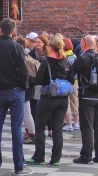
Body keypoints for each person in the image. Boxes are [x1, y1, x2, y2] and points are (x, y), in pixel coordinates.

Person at [0, 18, 32, 176]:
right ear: (13, 32)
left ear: (0, 30)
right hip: (15, 90)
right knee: (16, 129)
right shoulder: (17, 47)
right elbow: (24, 71)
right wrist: (23, 86)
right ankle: (19, 166)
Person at [28, 35, 73, 166]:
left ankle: (39, 156)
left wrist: (30, 80)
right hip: (63, 97)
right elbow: (71, 78)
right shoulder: (67, 61)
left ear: (50, 47)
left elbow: (39, 80)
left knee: (40, 126)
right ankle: (56, 158)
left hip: (48, 97)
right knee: (57, 128)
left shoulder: (47, 61)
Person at [71, 34, 98, 164]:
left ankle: (86, 155)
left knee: (87, 126)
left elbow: (71, 73)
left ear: (84, 43)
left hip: (87, 95)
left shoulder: (83, 58)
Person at [63, 38, 80, 132]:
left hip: (65, 81)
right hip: (75, 81)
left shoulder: (62, 56)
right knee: (75, 102)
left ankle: (69, 124)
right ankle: (77, 123)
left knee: (66, 103)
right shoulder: (74, 55)